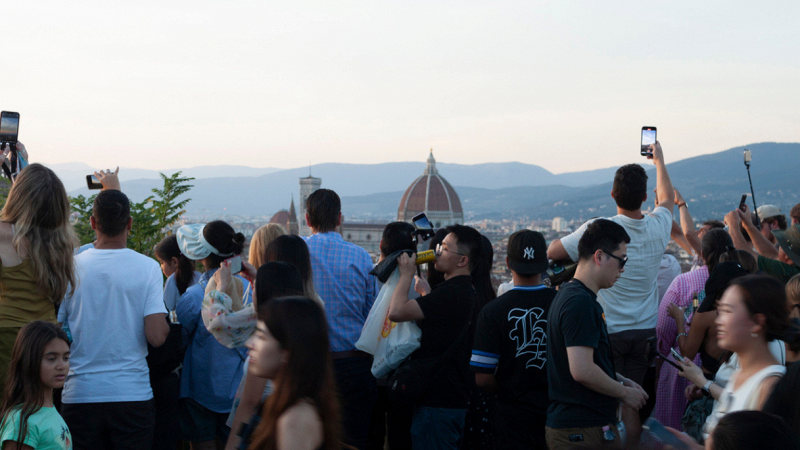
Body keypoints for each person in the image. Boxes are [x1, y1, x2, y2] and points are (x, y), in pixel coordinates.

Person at [547, 141, 673, 447]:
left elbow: (552, 251)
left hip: (609, 326)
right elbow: (667, 199)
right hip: (644, 329)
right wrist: (659, 162)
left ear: (613, 194)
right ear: (645, 197)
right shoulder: (659, 226)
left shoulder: (601, 230)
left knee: (611, 398)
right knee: (631, 401)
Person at [58, 189, 169, 450]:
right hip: (132, 394)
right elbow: (156, 336)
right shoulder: (148, 268)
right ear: (129, 224)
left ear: (93, 222)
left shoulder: (69, 267)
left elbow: (59, 329)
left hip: (80, 393)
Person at [546, 219, 647, 450]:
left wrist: (619, 379)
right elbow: (581, 370)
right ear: (599, 256)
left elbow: (581, 361)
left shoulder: (572, 296)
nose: (623, 269)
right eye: (622, 260)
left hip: (579, 427)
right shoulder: (579, 303)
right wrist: (624, 393)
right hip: (581, 429)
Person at [388, 224, 482, 450]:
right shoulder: (465, 291)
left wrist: (406, 275)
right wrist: (427, 294)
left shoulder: (451, 292)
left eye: (445, 248)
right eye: (439, 246)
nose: (437, 251)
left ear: (462, 261)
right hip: (451, 398)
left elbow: (396, 312)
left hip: (438, 402)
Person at [302, 189, 376, 450]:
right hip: (353, 366)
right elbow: (372, 314)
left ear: (308, 220)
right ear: (340, 219)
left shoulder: (297, 253)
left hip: (309, 368)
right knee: (353, 441)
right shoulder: (361, 257)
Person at [471, 230, 555, 449]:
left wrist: (505, 390)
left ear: (507, 262)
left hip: (511, 415)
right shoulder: (563, 305)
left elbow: (482, 378)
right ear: (544, 263)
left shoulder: (492, 311)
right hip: (557, 413)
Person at [676, 275, 788, 438]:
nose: (719, 321)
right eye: (719, 312)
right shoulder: (740, 374)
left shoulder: (768, 386)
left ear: (757, 322)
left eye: (727, 311)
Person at [0, 164, 77, 394]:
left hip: (6, 335)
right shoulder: (62, 242)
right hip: (45, 336)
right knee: (37, 408)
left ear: (18, 196)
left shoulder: (3, 235)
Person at [176, 221, 248, 450]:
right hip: (240, 389)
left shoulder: (193, 297)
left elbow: (182, 337)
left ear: (200, 255)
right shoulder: (248, 288)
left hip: (200, 387)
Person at [654, 229, 731, 428]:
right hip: (723, 368)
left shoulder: (683, 282)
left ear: (702, 254)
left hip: (682, 367)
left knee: (673, 429)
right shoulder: (736, 282)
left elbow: (663, 329)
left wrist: (662, 357)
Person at [245, 296, 343, 450]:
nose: (249, 344)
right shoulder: (286, 403)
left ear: (287, 351)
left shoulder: (294, 419)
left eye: (261, 337)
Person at [225, 262, 304, 450]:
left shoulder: (273, 333)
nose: (250, 344)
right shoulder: (302, 322)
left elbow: (249, 402)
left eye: (259, 337)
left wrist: (233, 445)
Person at [366, 221, 417, 450]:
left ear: (380, 246)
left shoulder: (372, 277)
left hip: (375, 374)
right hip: (409, 380)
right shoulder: (422, 285)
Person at [0, 321, 72, 450]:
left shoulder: (49, 410)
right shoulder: (22, 420)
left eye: (66, 358)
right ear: (29, 360)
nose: (62, 366)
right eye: (51, 358)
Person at [727, 207, 800, 283]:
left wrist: (732, 223)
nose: (779, 245)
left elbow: (743, 253)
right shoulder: (793, 268)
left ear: (787, 256)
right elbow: (771, 255)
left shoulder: (787, 272)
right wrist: (748, 225)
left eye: (782, 244)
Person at [155, 234, 202, 312]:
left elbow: (166, 310)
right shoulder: (200, 277)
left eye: (162, 262)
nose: (161, 267)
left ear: (174, 262)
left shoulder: (172, 281)